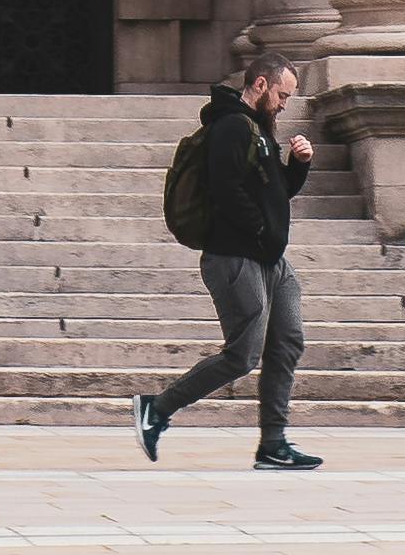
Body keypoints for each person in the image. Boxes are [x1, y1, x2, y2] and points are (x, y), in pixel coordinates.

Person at [134, 53, 324, 473]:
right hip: (235, 257)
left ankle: (273, 444)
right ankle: (157, 409)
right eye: (282, 95)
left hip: (270, 260)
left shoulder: (258, 129)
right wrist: (259, 230)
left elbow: (275, 192)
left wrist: (299, 166)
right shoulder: (231, 127)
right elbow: (225, 190)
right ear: (260, 84)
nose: (284, 104)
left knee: (287, 342)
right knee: (242, 355)